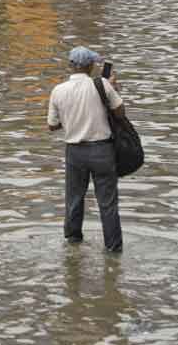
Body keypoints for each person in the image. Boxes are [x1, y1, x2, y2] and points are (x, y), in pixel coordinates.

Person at [47, 46, 124, 253]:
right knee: (107, 204)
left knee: (73, 199)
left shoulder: (58, 91)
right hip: (102, 151)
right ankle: (113, 250)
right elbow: (120, 113)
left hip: (74, 153)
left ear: (71, 66)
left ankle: (73, 243)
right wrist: (113, 89)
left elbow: (52, 126)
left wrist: (72, 118)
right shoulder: (103, 85)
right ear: (90, 66)